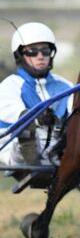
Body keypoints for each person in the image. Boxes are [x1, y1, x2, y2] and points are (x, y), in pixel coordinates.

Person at [0, 22, 73, 166]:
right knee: (26, 131)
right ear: (20, 55)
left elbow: (77, 110)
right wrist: (37, 118)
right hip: (14, 151)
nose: (40, 56)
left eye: (45, 51)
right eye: (32, 51)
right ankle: (29, 145)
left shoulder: (66, 86)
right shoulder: (10, 85)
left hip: (58, 149)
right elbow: (9, 111)